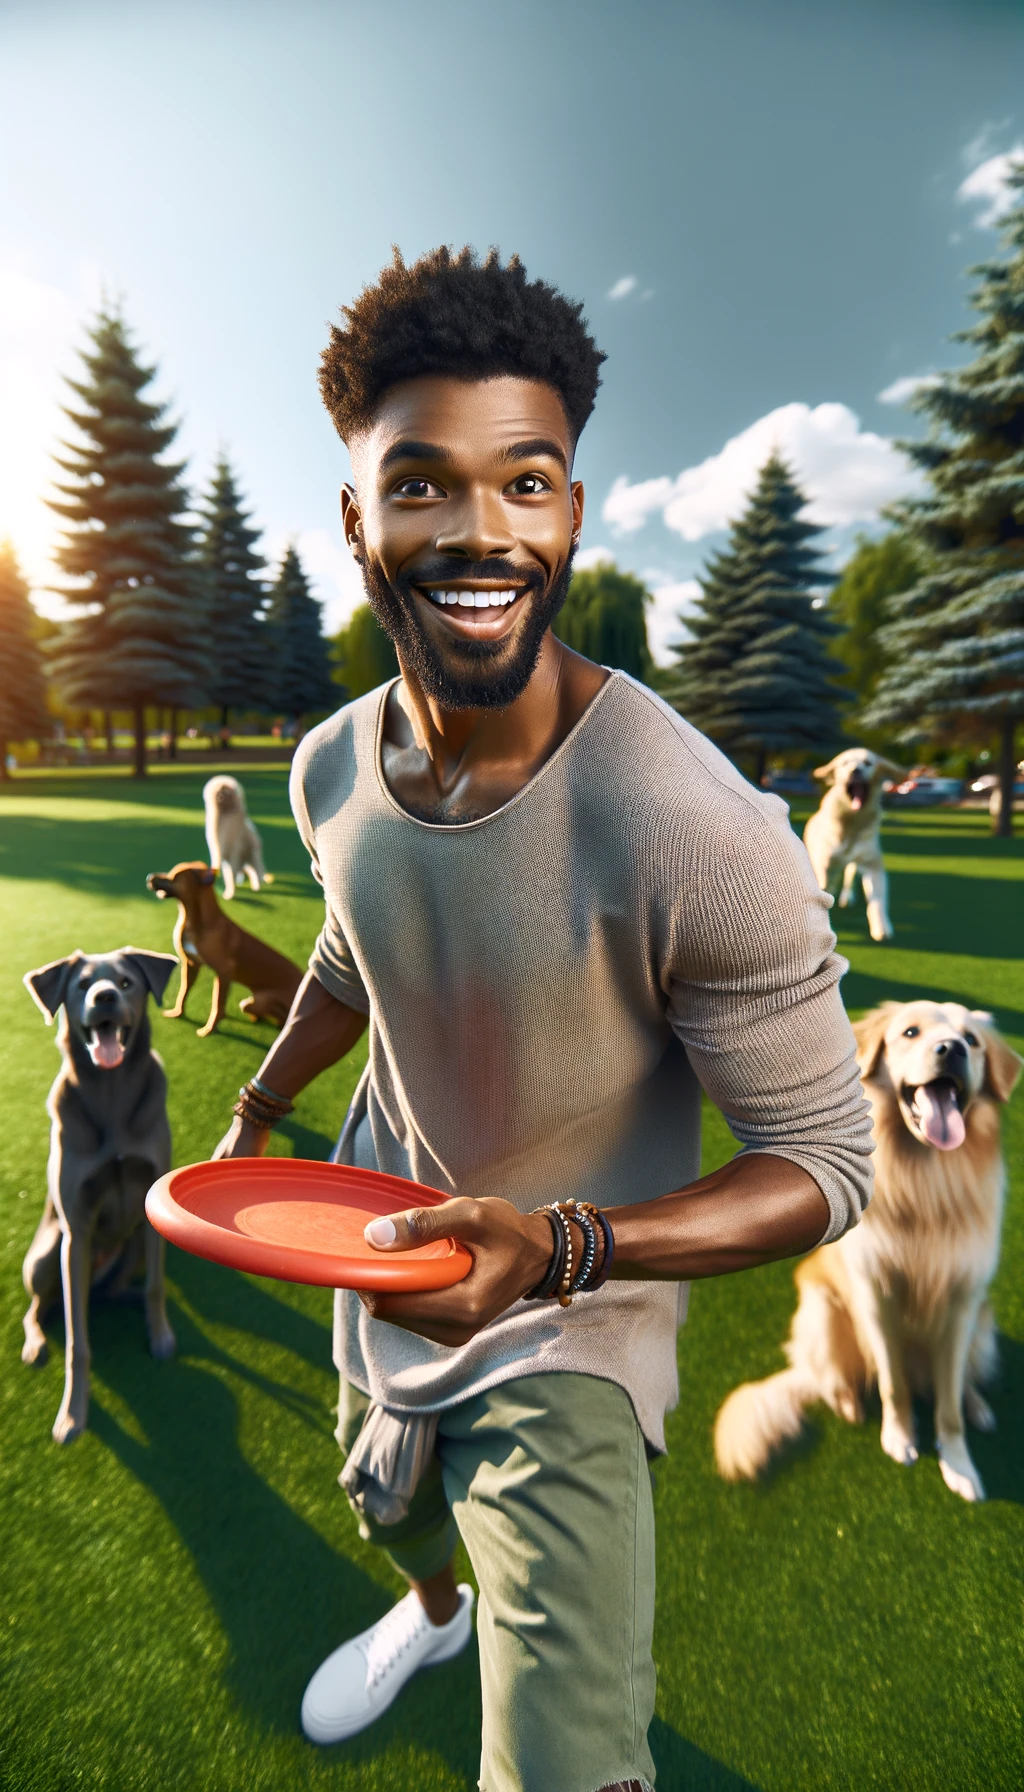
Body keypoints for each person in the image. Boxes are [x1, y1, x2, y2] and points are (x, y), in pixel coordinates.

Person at [213, 246, 873, 1792]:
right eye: (424, 484)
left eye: (527, 481)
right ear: (358, 518)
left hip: (570, 1316)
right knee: (390, 1503)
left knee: (568, 1772)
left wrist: (561, 1247)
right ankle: (434, 1615)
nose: (481, 530)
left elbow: (828, 1159)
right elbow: (354, 951)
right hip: (383, 1228)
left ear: (572, 509)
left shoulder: (693, 823)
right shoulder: (325, 769)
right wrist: (255, 1115)